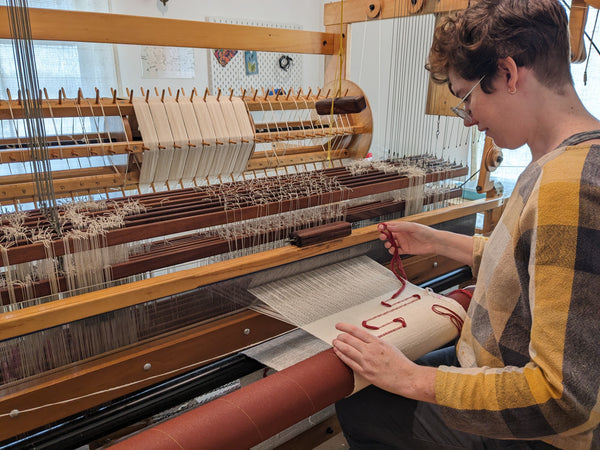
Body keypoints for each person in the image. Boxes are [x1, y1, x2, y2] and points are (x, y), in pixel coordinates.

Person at [332, 0, 600, 448]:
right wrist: (439, 242)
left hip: (529, 432)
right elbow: (541, 266)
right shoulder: (568, 160)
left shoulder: (567, 186)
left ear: (510, 75)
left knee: (364, 401)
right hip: (486, 364)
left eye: (468, 98)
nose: (471, 119)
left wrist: (412, 380)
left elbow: (563, 397)